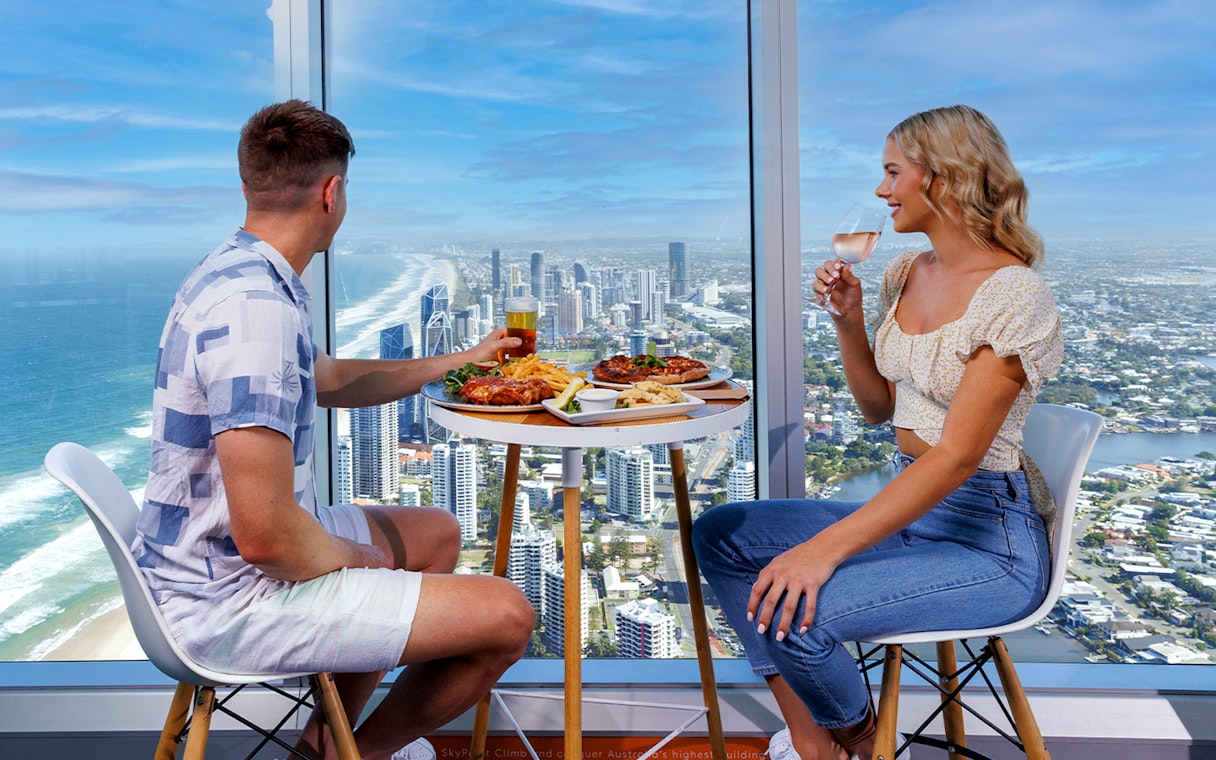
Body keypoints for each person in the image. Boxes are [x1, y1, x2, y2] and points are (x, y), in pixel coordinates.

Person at [131, 99, 534, 760]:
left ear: (248, 185)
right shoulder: (255, 310)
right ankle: (360, 753)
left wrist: (461, 362)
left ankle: (325, 742)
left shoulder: (241, 270)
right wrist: (355, 560)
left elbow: (326, 379)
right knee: (508, 618)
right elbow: (264, 535)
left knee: (435, 535)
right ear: (332, 192)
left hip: (203, 563)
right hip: (228, 598)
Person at [692, 105, 1063, 760]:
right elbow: (878, 410)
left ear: (942, 179)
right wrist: (848, 320)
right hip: (908, 515)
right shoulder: (905, 273)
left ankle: (865, 743)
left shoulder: (1013, 295)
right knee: (722, 535)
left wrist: (823, 550)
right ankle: (815, 741)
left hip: (988, 544)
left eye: (892, 172)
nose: (880, 190)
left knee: (792, 611)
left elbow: (954, 457)